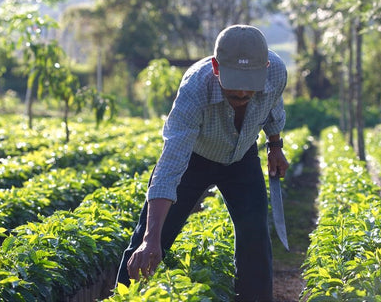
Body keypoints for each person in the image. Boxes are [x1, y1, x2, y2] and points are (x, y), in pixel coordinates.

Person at [114, 24, 289, 302]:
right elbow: (171, 163)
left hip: (242, 155)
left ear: (265, 68)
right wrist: (151, 238)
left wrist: (275, 145)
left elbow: (272, 106)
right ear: (216, 67)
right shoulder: (195, 88)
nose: (243, 95)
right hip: (194, 159)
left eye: (249, 88)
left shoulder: (277, 72)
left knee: (255, 237)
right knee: (149, 240)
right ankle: (122, 296)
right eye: (234, 89)